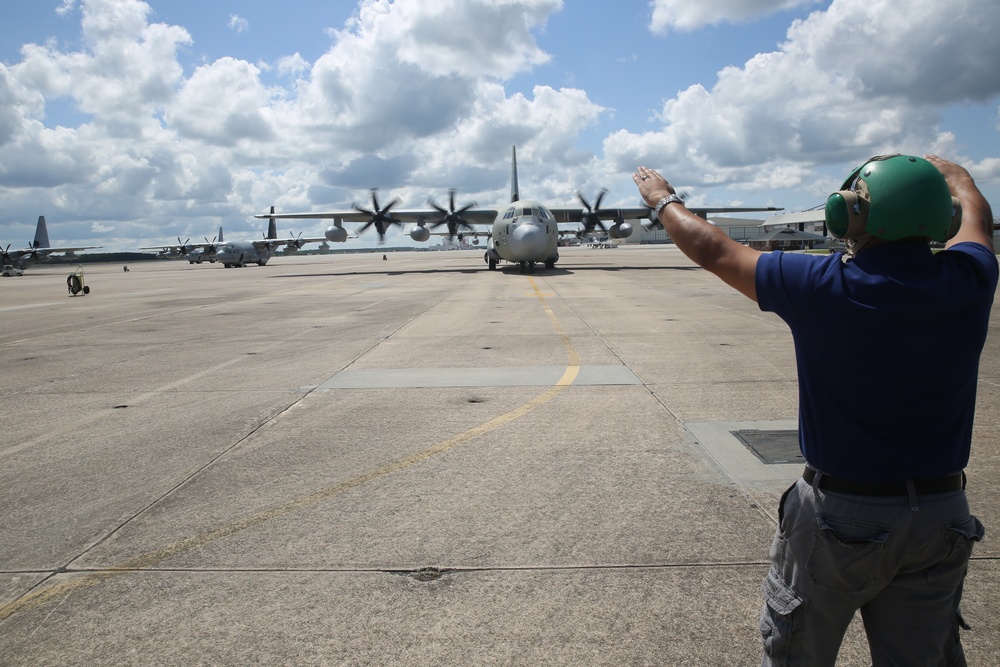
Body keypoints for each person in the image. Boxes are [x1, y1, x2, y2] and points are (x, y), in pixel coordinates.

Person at [633, 155, 997, 666]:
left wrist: (662, 200)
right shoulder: (973, 280)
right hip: (942, 516)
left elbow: (712, 248)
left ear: (849, 213)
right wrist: (957, 176)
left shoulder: (821, 284)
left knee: (796, 654)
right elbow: (977, 218)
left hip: (841, 516)